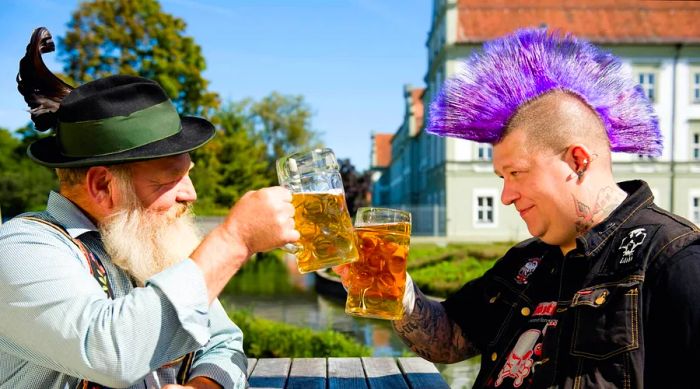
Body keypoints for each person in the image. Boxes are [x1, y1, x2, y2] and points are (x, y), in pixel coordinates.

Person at [340, 28, 700, 388]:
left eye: (516, 173)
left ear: (577, 161)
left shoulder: (673, 262)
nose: (506, 196)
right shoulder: (525, 261)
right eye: (502, 177)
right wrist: (396, 289)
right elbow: (448, 337)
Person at [0, 28, 299, 389]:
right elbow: (110, 354)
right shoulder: (21, 249)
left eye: (187, 175)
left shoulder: (151, 243)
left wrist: (202, 386)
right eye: (168, 180)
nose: (191, 195)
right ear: (102, 185)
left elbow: (222, 341)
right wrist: (234, 240)